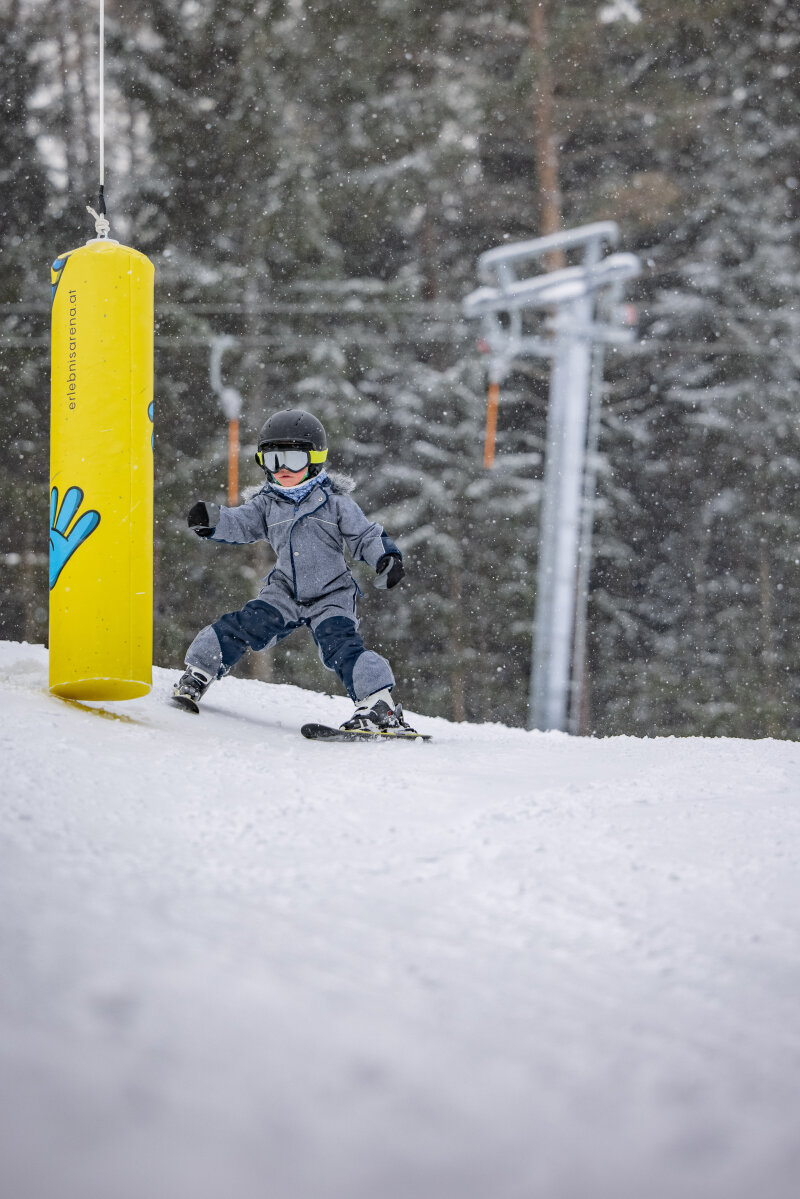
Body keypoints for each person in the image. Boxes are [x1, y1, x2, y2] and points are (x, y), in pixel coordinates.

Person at [173, 408, 416, 734]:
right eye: (273, 461)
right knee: (244, 624)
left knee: (340, 645)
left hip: (331, 594)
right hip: (285, 591)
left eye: (293, 460)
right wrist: (213, 521)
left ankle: (379, 706)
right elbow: (241, 522)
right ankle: (197, 674)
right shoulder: (266, 504)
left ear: (315, 459)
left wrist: (385, 558)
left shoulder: (336, 503)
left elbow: (365, 535)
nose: (283, 469)